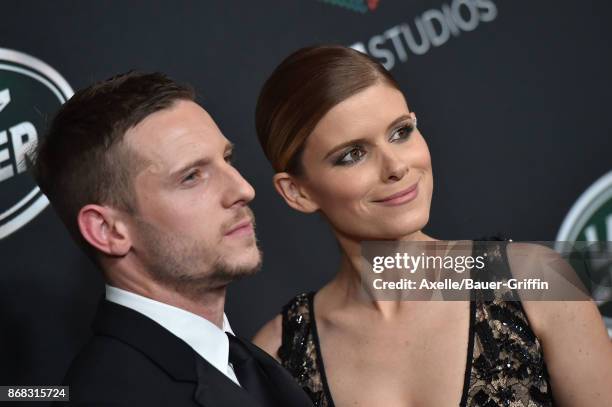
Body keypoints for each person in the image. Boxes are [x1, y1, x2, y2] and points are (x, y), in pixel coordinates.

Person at [252, 45, 612, 407]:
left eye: (401, 132)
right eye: (353, 154)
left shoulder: (534, 281)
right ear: (297, 192)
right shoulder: (276, 357)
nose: (396, 166)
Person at [33, 71, 313, 407]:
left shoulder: (243, 360)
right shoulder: (109, 396)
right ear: (108, 230)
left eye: (226, 159)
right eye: (192, 176)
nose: (243, 189)